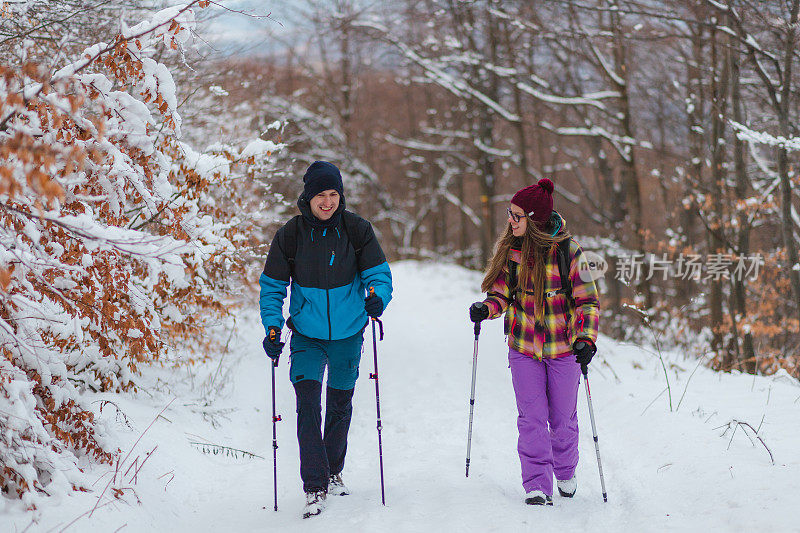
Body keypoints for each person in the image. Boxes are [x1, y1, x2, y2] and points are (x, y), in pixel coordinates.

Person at [259, 161, 392, 518]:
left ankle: (334, 472)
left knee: (339, 405)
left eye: (334, 194)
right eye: (321, 195)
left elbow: (378, 274)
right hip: (306, 334)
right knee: (307, 405)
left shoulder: (357, 230)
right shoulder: (291, 235)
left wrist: (377, 296)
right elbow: (273, 287)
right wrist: (273, 327)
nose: (328, 201)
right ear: (309, 196)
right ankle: (314, 486)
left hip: (349, 332)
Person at [468, 178, 599, 506]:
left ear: (535, 219)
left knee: (563, 419)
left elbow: (587, 301)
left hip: (564, 350)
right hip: (524, 348)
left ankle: (566, 470)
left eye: (516, 216)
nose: (509, 221)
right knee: (531, 417)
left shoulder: (570, 252)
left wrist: (586, 339)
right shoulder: (512, 252)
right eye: (509, 214)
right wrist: (487, 308)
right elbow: (500, 293)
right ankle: (537, 484)